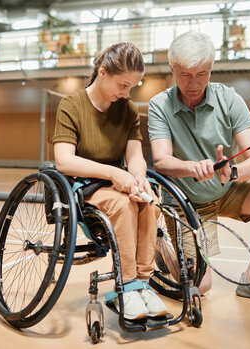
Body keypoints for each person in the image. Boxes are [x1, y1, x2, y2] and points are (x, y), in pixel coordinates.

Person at [148, 31, 250, 307]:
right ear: (172, 69)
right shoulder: (160, 105)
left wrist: (232, 173)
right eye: (185, 74)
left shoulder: (229, 99)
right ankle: (161, 245)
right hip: (185, 204)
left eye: (202, 73)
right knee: (200, 286)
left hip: (226, 190)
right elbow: (161, 161)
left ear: (211, 68)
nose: (194, 83)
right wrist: (192, 167)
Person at [52, 42, 168, 319]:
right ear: (102, 72)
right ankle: (126, 285)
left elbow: (136, 157)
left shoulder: (126, 110)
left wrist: (139, 180)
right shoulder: (72, 105)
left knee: (150, 204)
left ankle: (143, 284)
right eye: (123, 85)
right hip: (86, 186)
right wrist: (115, 173)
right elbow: (64, 161)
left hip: (120, 182)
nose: (127, 93)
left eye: (132, 87)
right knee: (125, 206)